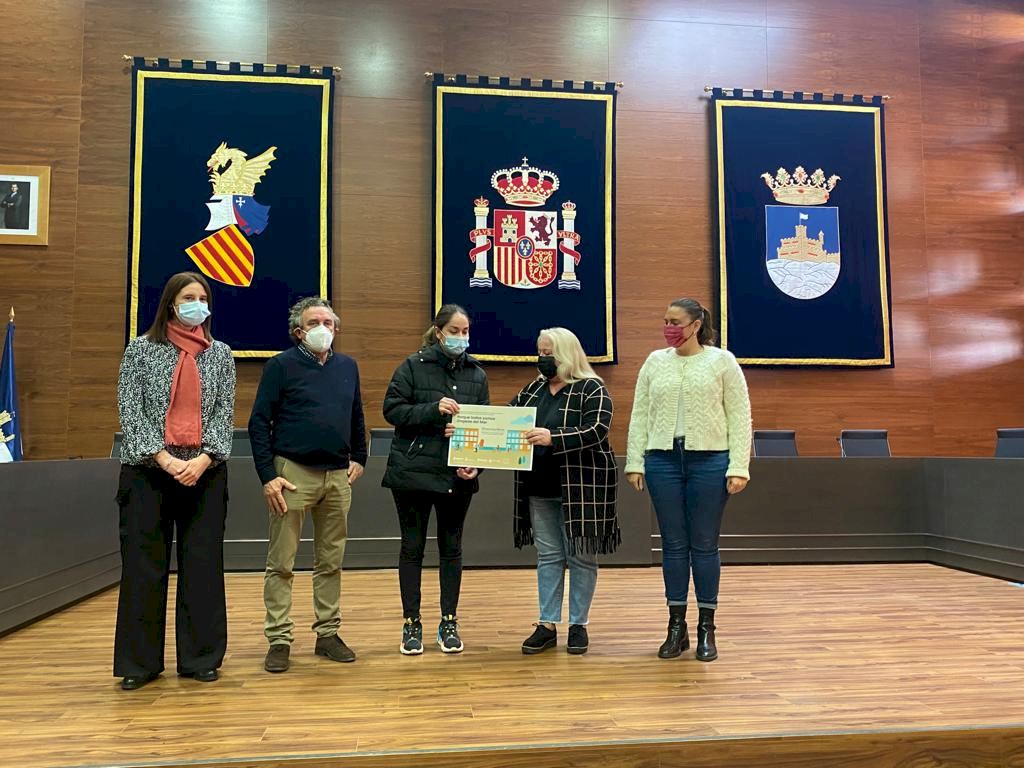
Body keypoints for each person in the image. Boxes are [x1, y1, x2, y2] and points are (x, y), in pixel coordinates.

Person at [114, 271, 235, 690]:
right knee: (143, 567)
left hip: (205, 472)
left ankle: (201, 658)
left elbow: (223, 412)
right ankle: (139, 664)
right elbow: (131, 410)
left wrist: (203, 459)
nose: (197, 304)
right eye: (188, 297)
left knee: (202, 565)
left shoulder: (220, 354)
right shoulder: (141, 350)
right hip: (147, 473)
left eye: (203, 298)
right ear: (170, 304)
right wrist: (164, 459)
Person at [625, 298, 751, 662]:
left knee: (705, 545)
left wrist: (739, 466)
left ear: (696, 325)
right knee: (673, 545)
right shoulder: (654, 361)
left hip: (710, 460)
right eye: (665, 321)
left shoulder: (722, 361)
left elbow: (739, 415)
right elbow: (641, 413)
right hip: (662, 460)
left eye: (675, 322)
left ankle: (706, 627)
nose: (669, 328)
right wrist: (635, 461)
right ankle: (676, 626)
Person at [248, 297, 367, 674]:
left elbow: (356, 414)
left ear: (337, 328)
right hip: (292, 474)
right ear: (298, 331)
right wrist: (268, 476)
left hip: (338, 475)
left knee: (330, 561)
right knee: (281, 562)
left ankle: (327, 633)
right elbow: (258, 423)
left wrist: (360, 457)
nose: (323, 329)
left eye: (328, 323)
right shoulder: (280, 366)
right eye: (314, 323)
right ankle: (279, 638)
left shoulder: (348, 366)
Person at [382, 304, 489, 655]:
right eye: (454, 331)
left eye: (465, 331)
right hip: (412, 472)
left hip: (457, 476)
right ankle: (411, 623)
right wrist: (432, 409)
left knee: (452, 549)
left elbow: (484, 427)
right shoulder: (412, 366)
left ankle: (449, 622)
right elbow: (392, 410)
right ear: (438, 332)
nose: (461, 337)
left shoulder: (477, 374)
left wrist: (477, 465)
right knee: (412, 548)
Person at [509, 328, 620, 656]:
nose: (542, 359)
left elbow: (597, 430)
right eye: (540, 353)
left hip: (583, 487)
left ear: (568, 354)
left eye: (549, 353)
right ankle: (546, 624)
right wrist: (470, 432)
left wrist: (553, 437)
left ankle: (578, 624)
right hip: (538, 485)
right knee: (548, 556)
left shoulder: (592, 388)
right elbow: (507, 421)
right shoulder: (532, 389)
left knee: (581, 556)